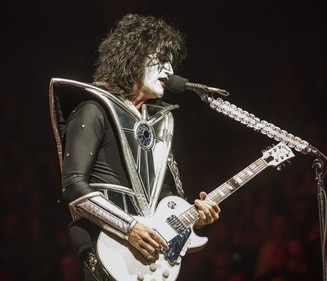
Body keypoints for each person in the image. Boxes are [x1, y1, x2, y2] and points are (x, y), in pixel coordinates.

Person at [49, 13, 221, 280]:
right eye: (162, 60)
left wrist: (193, 218)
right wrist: (130, 227)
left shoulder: (157, 124)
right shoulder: (93, 109)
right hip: (108, 251)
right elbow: (72, 185)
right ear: (134, 57)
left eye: (172, 64)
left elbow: (163, 199)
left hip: (147, 259)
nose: (170, 72)